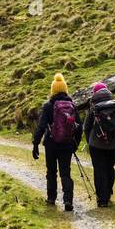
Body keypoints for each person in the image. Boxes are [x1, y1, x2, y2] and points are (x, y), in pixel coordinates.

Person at [32, 73, 80, 212]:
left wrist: (35, 144)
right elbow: (79, 126)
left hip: (51, 144)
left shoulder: (48, 106)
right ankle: (68, 200)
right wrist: (75, 142)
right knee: (66, 172)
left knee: (51, 171)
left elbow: (41, 126)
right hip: (67, 144)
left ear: (52, 90)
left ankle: (51, 198)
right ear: (65, 89)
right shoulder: (72, 105)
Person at [83, 82, 115, 207]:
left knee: (99, 170)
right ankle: (108, 193)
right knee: (109, 168)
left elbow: (86, 127)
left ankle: (102, 199)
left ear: (95, 93)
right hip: (112, 144)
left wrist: (89, 140)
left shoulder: (94, 106)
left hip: (96, 144)